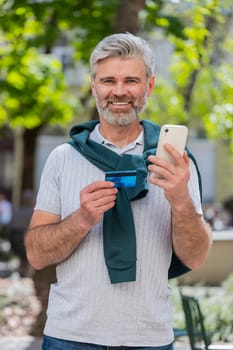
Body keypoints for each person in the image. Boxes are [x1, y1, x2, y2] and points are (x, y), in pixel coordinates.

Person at [25, 33, 212, 350]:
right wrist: (82, 219)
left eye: (132, 80)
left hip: (149, 338)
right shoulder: (63, 160)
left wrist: (180, 201)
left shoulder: (176, 163)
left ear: (149, 87)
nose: (120, 91)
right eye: (108, 80)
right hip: (70, 337)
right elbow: (36, 254)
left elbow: (195, 257)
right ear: (94, 86)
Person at [6, 189, 35, 276]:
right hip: (24, 240)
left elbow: (9, 227)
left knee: (23, 258)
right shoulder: (33, 212)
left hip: (14, 241)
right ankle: (27, 276)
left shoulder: (17, 211)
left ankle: (21, 274)